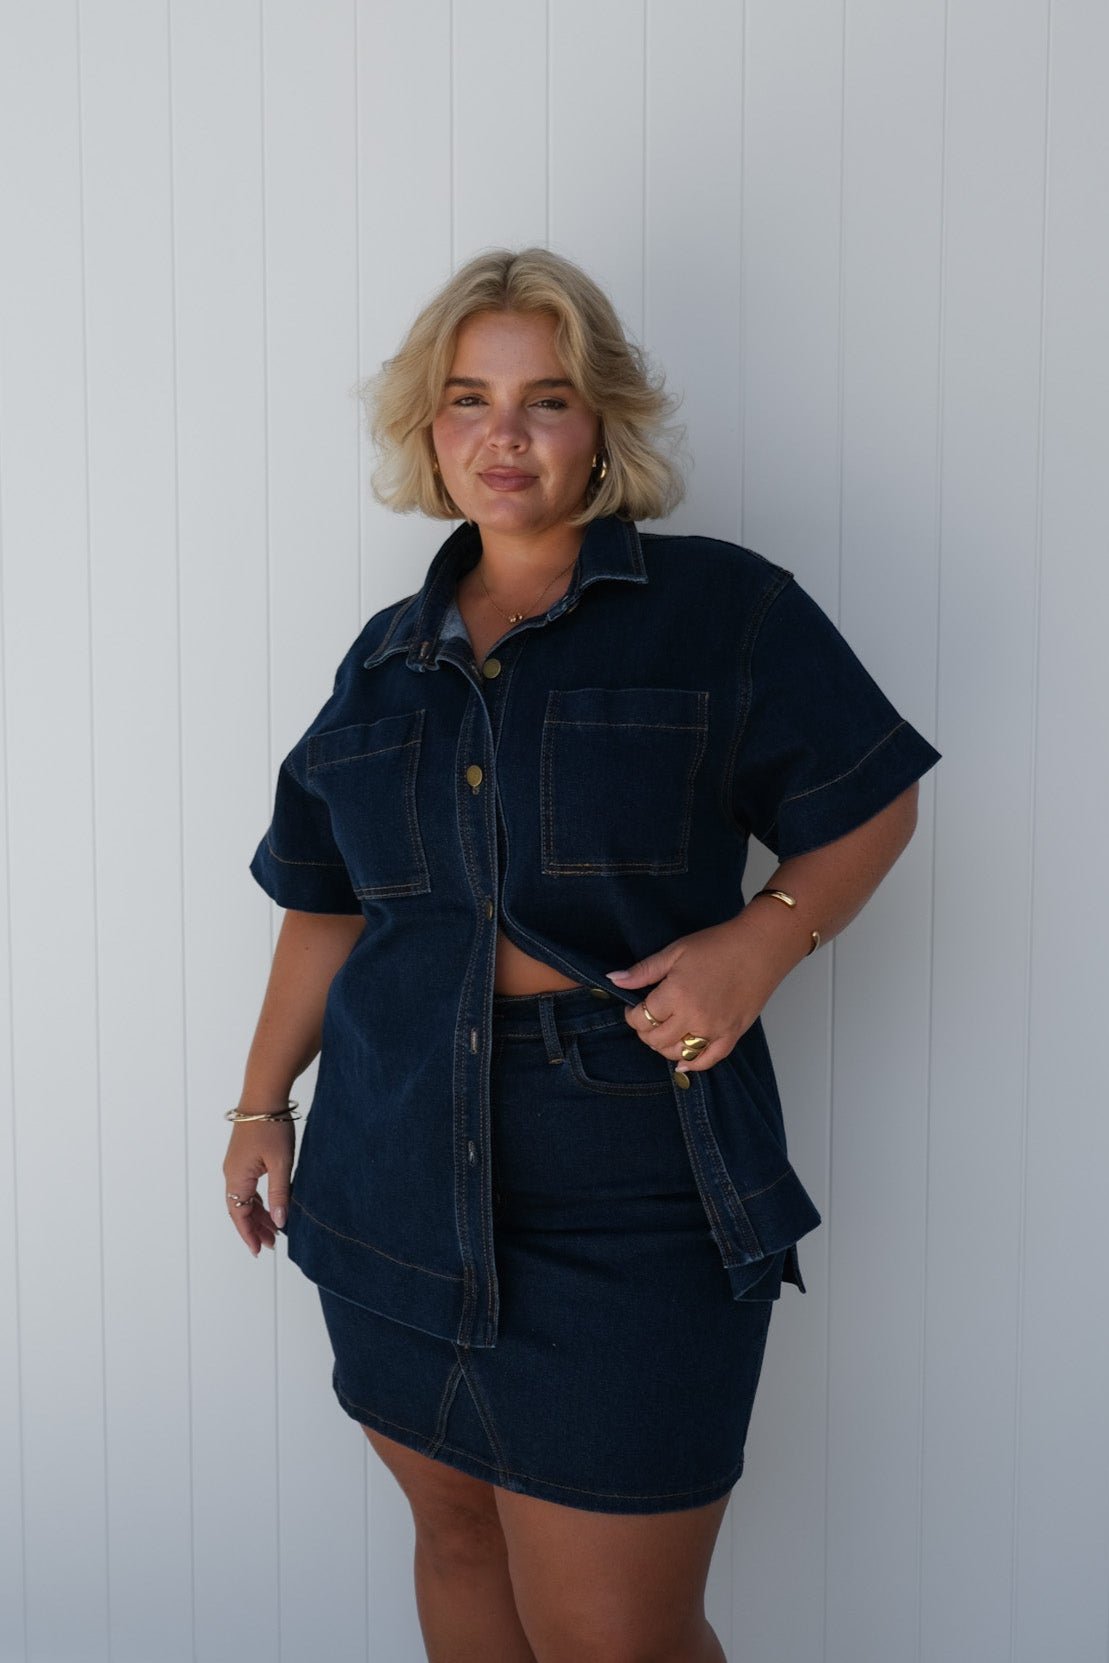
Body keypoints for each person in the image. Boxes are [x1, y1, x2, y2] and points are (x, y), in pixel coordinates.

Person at [223, 246, 940, 1663]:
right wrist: (258, 1106)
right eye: (468, 399)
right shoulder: (382, 659)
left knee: (619, 1637)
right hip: (387, 1165)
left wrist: (760, 944)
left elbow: (870, 800)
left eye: (544, 400)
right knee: (457, 1540)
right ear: (428, 428)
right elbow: (329, 902)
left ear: (600, 422)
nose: (505, 434)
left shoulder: (720, 610)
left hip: (629, 1177)